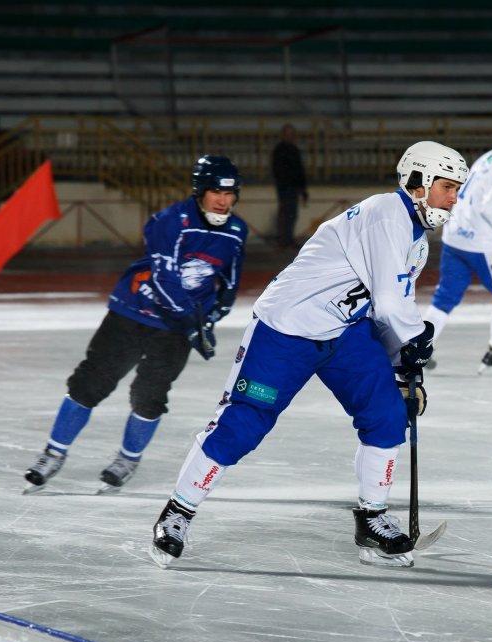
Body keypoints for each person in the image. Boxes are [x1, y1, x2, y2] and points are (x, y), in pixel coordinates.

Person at [149, 141, 469, 570]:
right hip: (288, 329)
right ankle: (178, 512)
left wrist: (400, 371)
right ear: (418, 182)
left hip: (344, 330)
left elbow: (383, 310)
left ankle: (372, 520)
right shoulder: (385, 215)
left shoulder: (416, 240)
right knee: (243, 425)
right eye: (448, 186)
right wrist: (416, 342)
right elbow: (396, 309)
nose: (454, 197)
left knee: (388, 415)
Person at [23, 155, 247, 493]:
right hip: (133, 312)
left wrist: (211, 318)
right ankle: (53, 453)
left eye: (230, 194)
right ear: (200, 190)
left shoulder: (236, 231)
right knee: (90, 382)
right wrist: (191, 324)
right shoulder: (171, 221)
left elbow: (229, 284)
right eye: (216, 191)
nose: (223, 200)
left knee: (150, 395)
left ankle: (128, 459)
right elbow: (165, 279)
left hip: (176, 328)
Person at [423, 114, 492, 374]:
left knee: (445, 298)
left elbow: (476, 199)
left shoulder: (489, 157)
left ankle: (418, 349)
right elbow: (488, 207)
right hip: (480, 242)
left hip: (454, 237)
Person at [271, 123, 308, 248]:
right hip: (285, 187)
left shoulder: (294, 150)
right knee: (286, 213)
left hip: (293, 187)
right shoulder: (280, 150)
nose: (290, 136)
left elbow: (299, 170)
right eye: (288, 134)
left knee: (292, 214)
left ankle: (288, 239)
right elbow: (278, 171)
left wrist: (303, 189)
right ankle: (283, 240)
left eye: (292, 134)